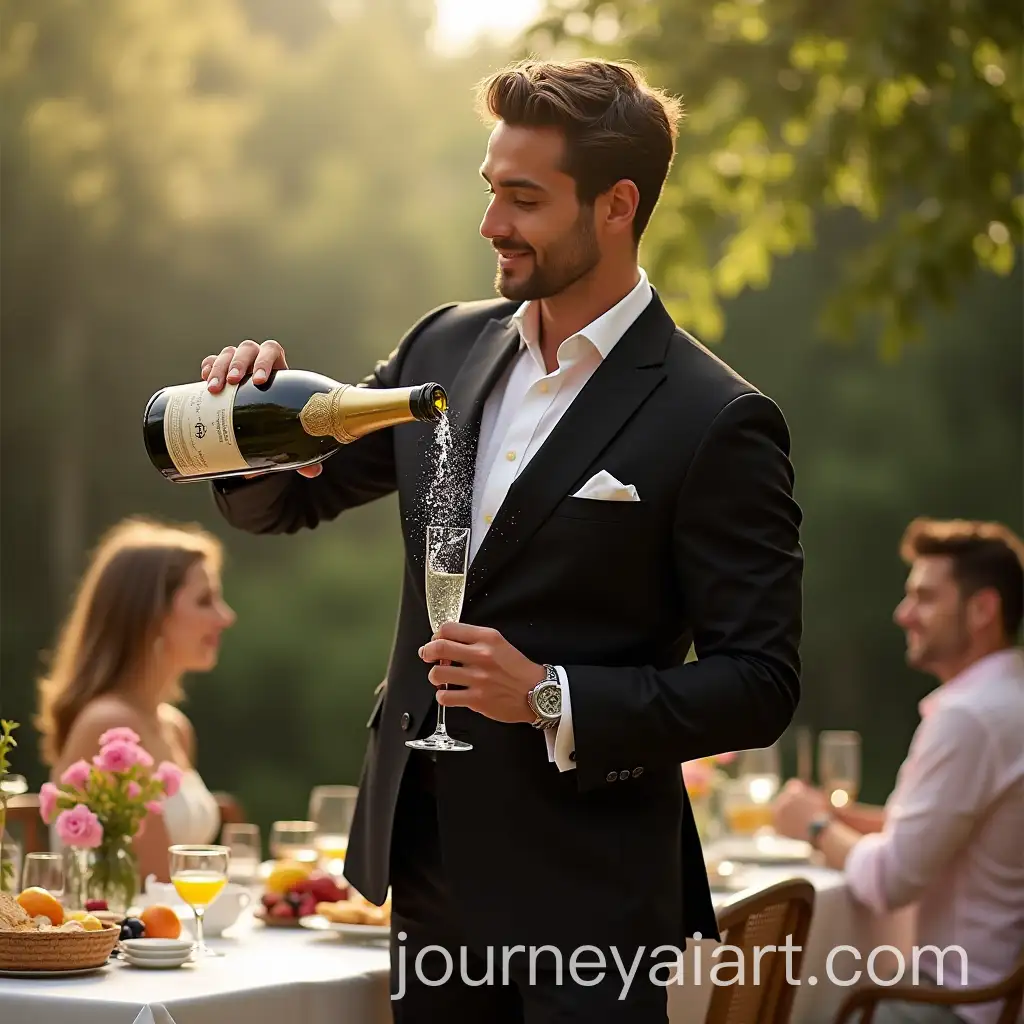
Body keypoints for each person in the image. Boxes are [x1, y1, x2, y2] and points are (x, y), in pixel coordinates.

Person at [208, 59, 803, 1023]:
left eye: (524, 200)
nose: (492, 225)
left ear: (617, 205)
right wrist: (244, 425)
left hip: (593, 900)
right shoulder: (442, 348)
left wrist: (548, 695)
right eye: (492, 191)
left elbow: (761, 681)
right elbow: (288, 505)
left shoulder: (716, 419)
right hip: (426, 868)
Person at [773, 518, 1024, 1024]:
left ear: (982, 609)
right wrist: (841, 815)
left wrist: (815, 827)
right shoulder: (1008, 699)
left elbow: (890, 882)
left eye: (925, 597)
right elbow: (927, 830)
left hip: (957, 1004)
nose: (903, 613)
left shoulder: (969, 717)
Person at [36, 517, 236, 882]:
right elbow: (154, 883)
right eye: (205, 600)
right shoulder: (110, 725)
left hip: (171, 930)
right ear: (151, 615)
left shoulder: (174, 726)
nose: (226, 617)